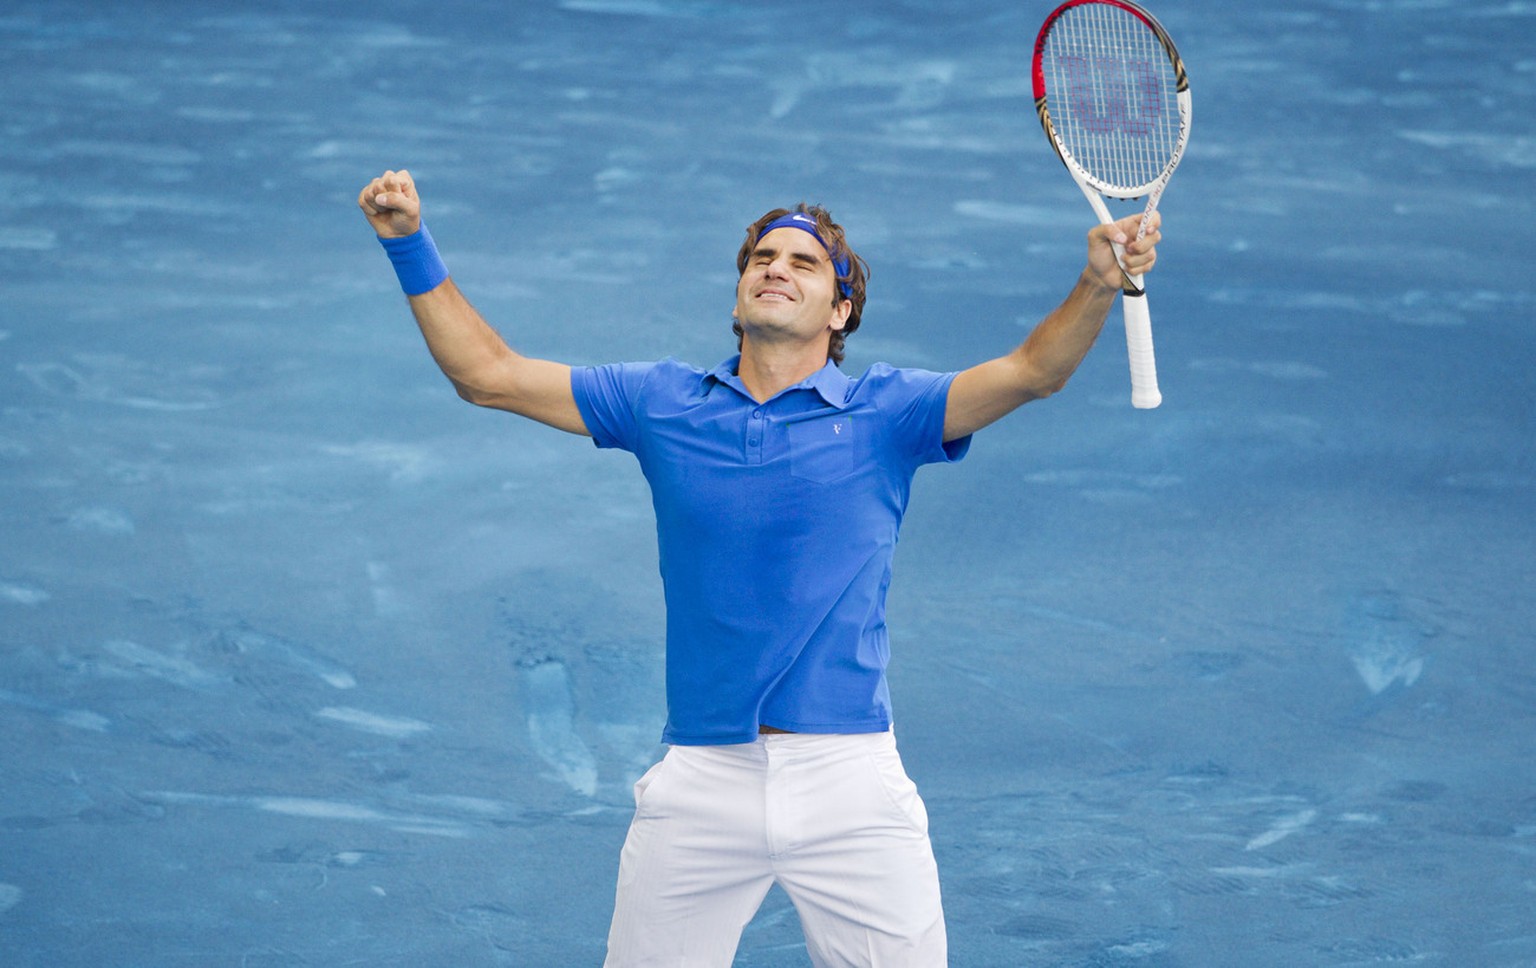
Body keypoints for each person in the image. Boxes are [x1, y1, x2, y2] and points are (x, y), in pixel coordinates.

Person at [357, 169, 1160, 967]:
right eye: (761, 259)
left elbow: (1032, 372)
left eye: (804, 263)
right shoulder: (661, 403)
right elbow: (487, 375)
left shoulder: (890, 413)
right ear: (739, 294)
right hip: (703, 779)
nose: (776, 268)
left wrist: (1095, 282)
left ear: (841, 311)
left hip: (850, 781)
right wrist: (407, 243)